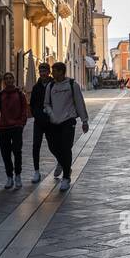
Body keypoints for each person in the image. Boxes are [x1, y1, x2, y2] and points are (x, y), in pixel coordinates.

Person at [43, 62, 89, 193]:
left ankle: (66, 177)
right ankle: (63, 164)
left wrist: (84, 121)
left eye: (55, 71)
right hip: (54, 122)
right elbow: (46, 103)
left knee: (65, 147)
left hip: (68, 121)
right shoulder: (50, 86)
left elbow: (79, 102)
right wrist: (51, 115)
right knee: (53, 146)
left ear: (62, 72)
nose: (52, 73)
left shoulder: (72, 85)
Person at [0, 72, 29, 190]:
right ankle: (9, 176)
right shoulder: (0, 95)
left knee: (17, 152)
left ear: (13, 80)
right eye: (6, 79)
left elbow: (25, 109)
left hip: (16, 127)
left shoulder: (20, 94)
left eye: (10, 78)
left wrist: (21, 123)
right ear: (4, 81)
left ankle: (17, 175)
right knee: (6, 154)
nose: (8, 80)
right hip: (3, 128)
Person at [28, 62, 53, 183]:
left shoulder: (54, 85)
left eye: (45, 71)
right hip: (38, 122)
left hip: (51, 121)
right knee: (35, 146)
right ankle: (36, 171)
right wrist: (37, 115)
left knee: (54, 145)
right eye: (41, 71)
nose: (43, 73)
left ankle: (61, 163)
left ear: (49, 72)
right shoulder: (36, 87)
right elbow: (32, 105)